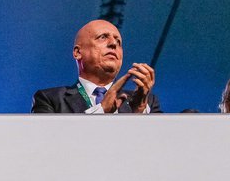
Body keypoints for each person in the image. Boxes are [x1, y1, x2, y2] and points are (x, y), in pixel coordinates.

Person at [32, 19, 161, 114]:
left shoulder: (148, 102)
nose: (113, 44)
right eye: (103, 37)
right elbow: (48, 143)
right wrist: (102, 110)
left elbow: (162, 145)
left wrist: (139, 111)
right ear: (78, 53)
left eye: (118, 42)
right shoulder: (49, 99)